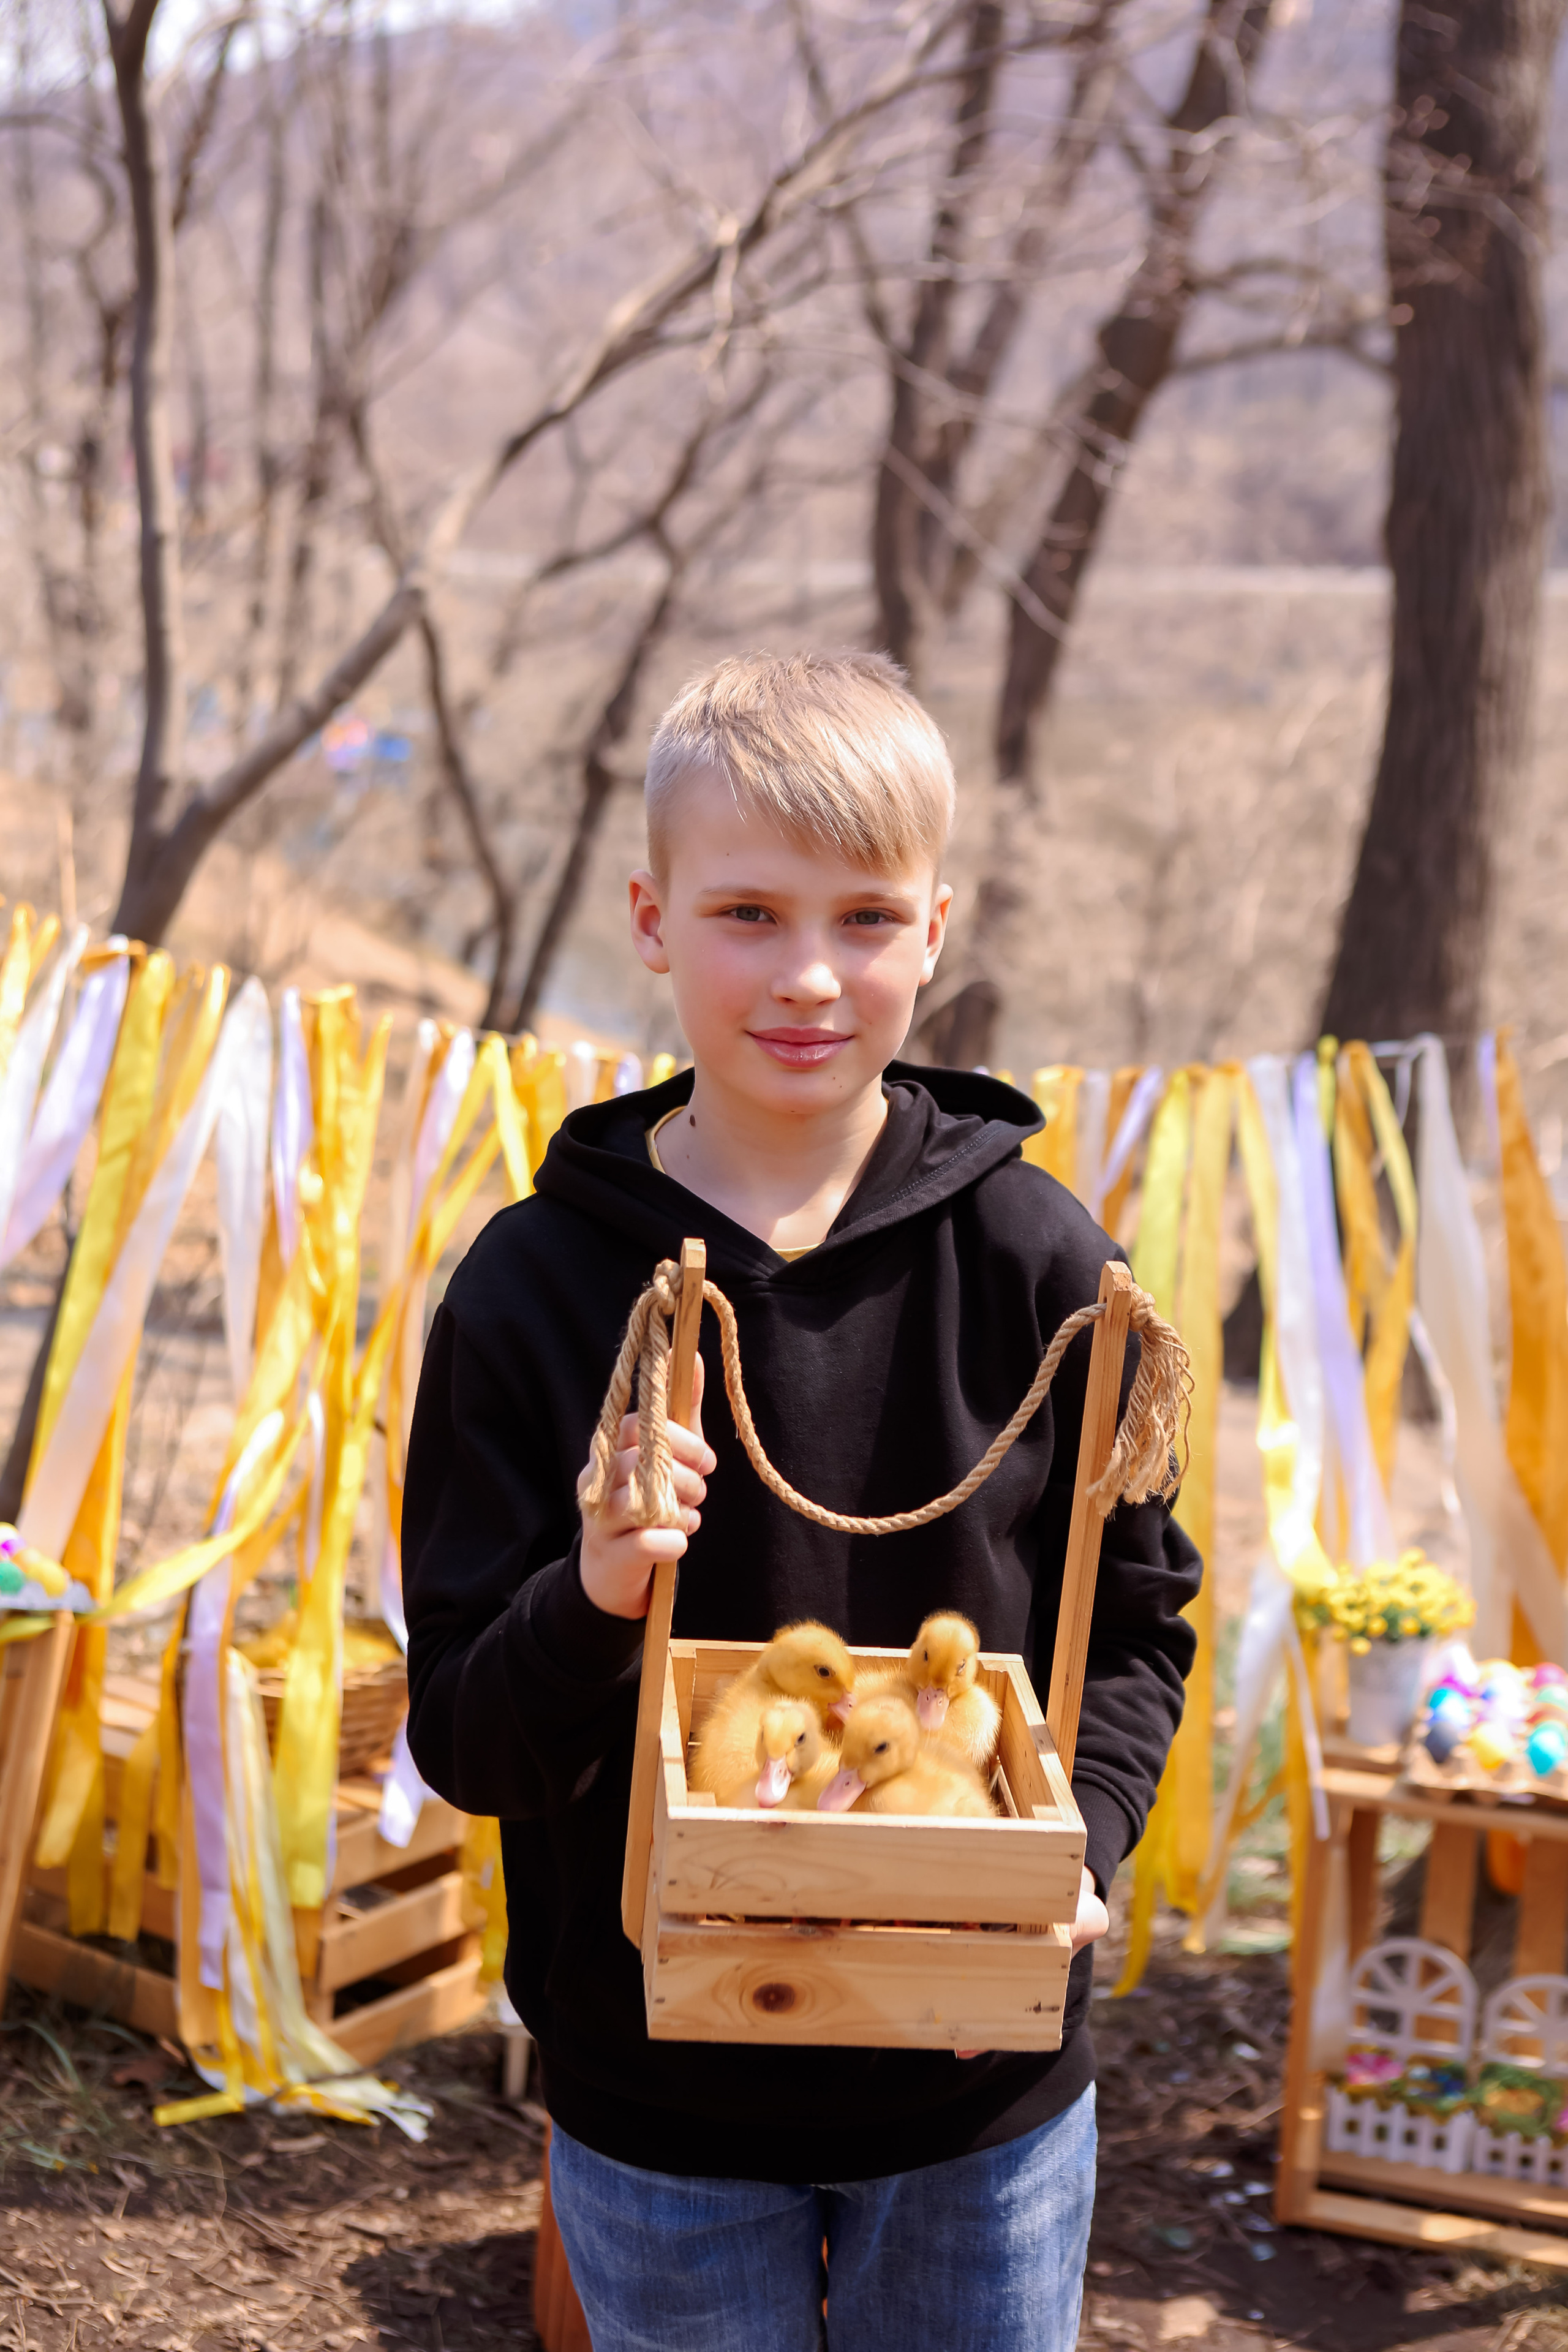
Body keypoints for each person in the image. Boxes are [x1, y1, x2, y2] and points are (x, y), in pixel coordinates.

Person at [403, 650, 1200, 2352]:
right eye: (750, 913)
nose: (812, 977)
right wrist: (599, 1590)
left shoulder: (1045, 1265)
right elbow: (467, 1740)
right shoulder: (540, 1287)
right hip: (660, 2097)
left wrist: (1088, 1859)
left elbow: (1132, 1633)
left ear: (938, 928)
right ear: (650, 914)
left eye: (865, 917)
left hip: (975, 2089)